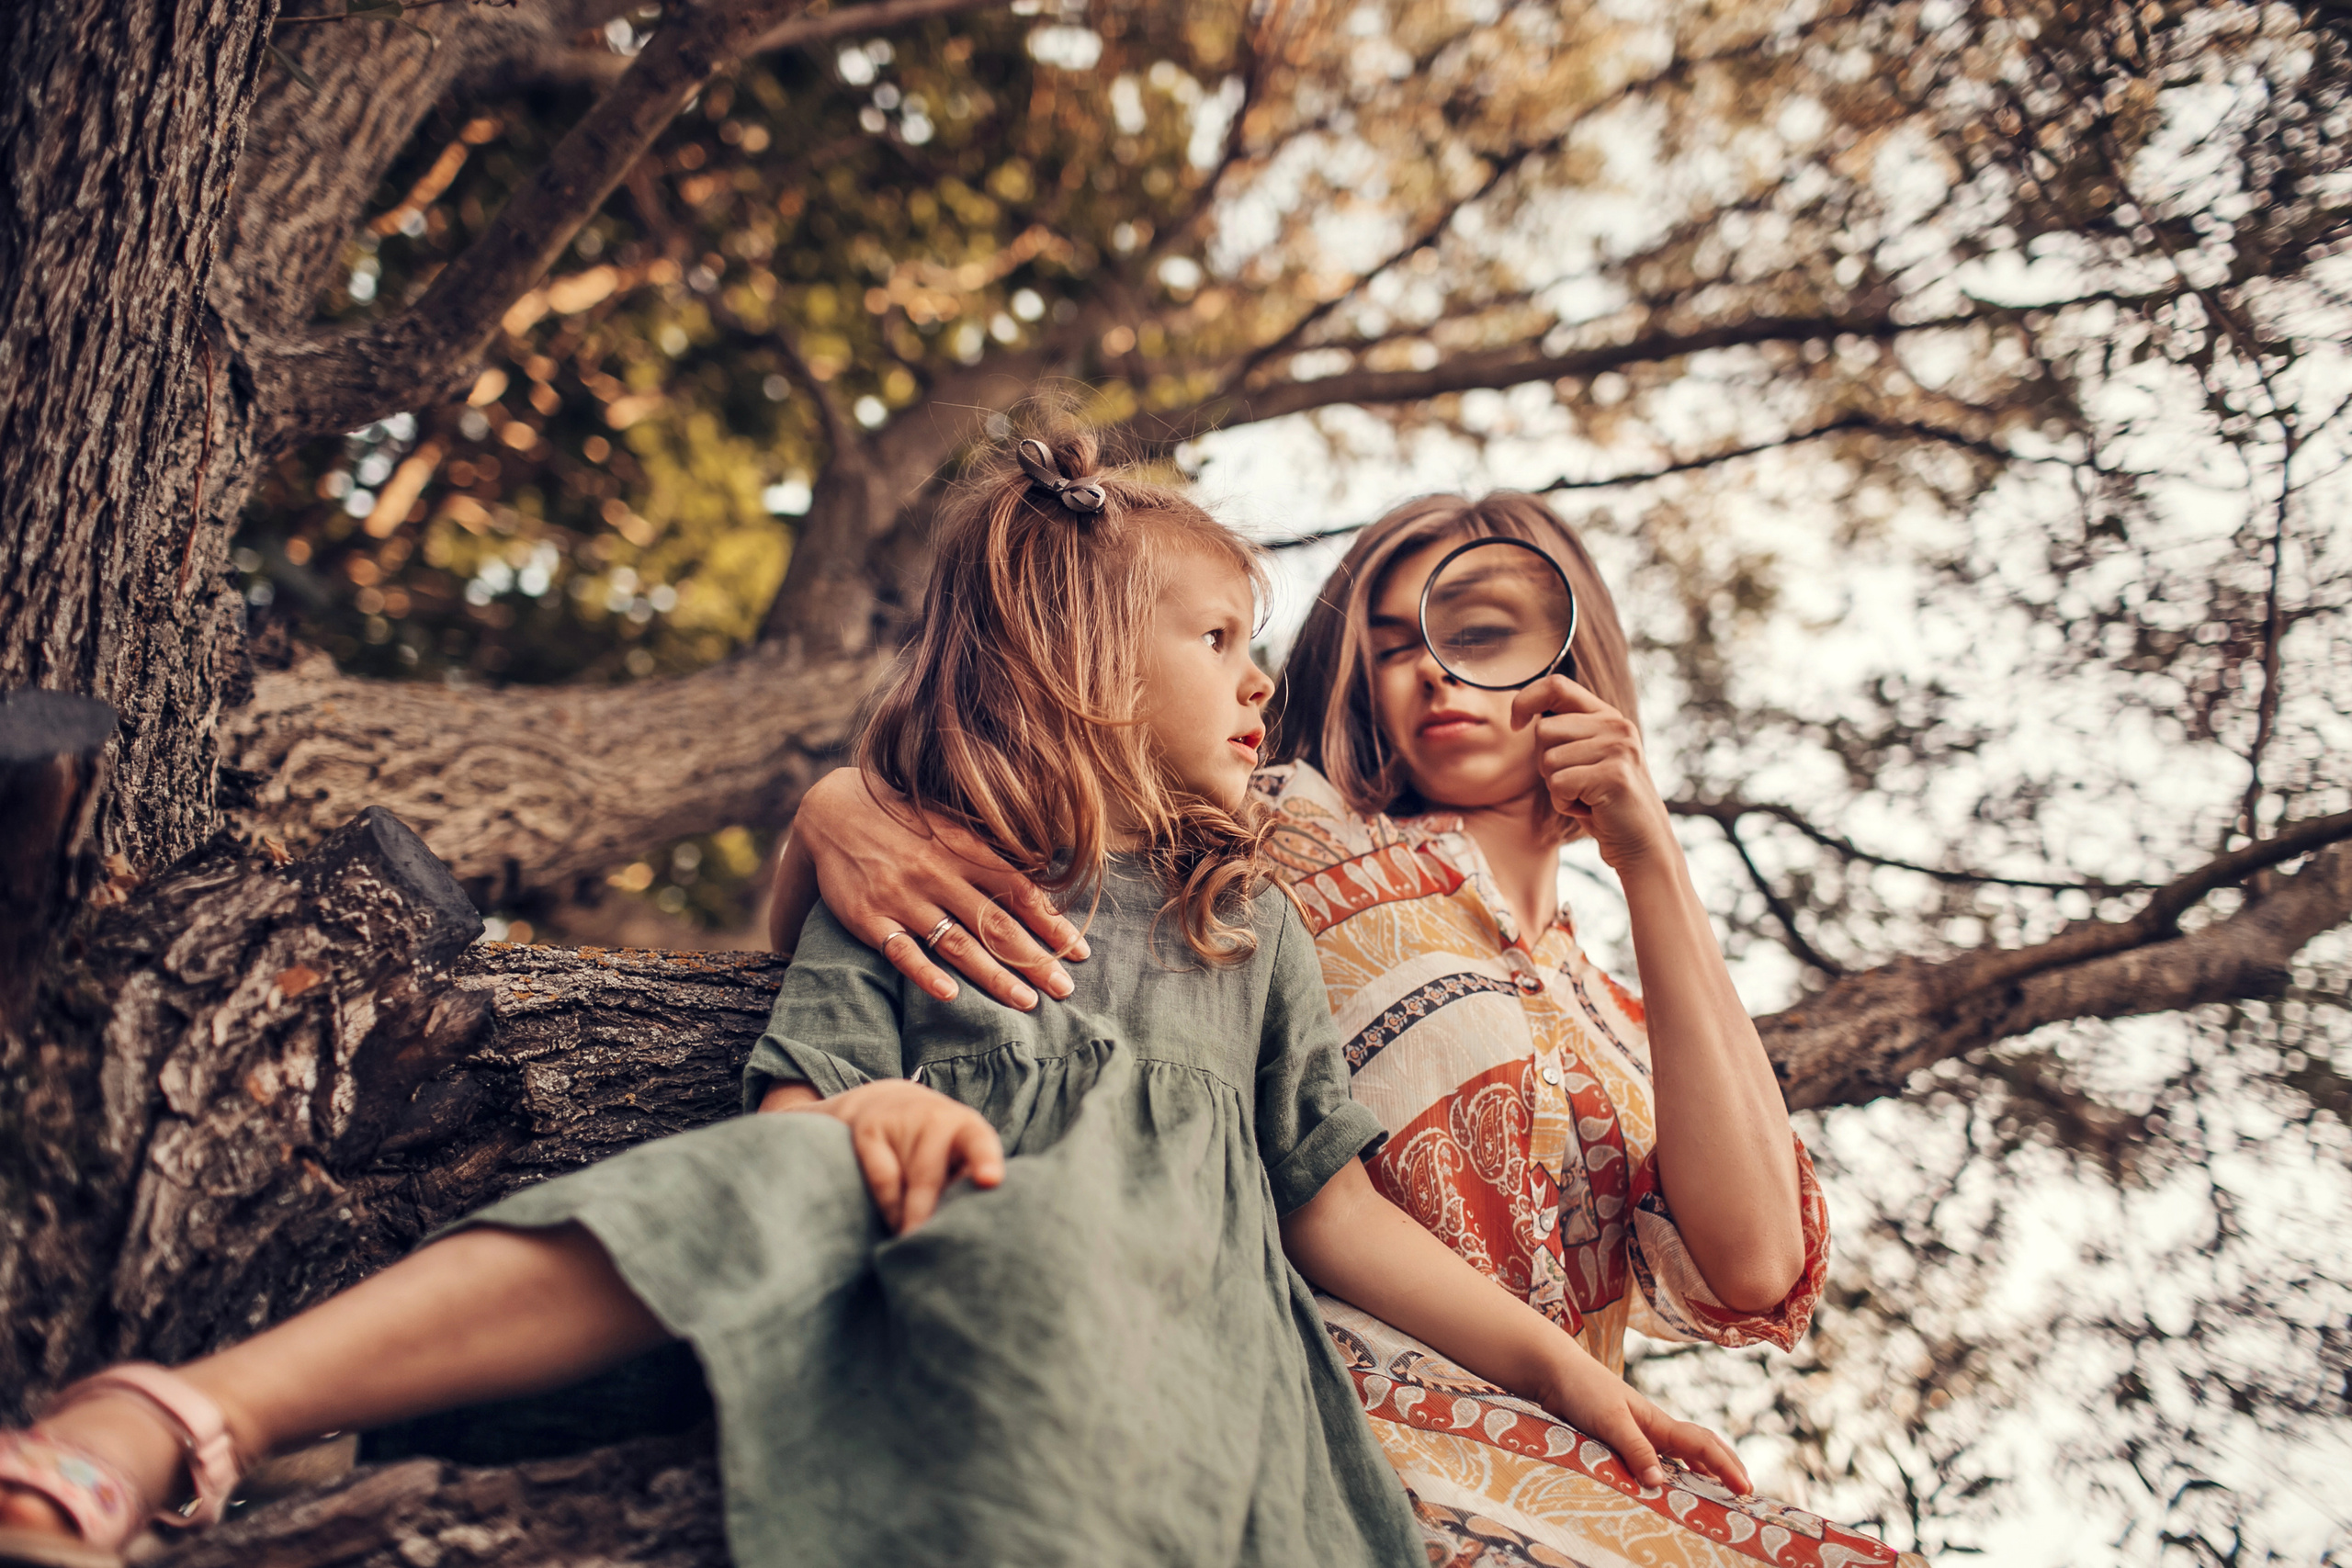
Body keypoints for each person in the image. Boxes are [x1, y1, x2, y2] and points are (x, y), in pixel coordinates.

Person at [0, 429, 1754, 1568]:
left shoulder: (1249, 924)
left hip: (1197, 1346)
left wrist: (1572, 1380)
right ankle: (184, 1410)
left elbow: (1337, 1212)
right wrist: (853, 1077)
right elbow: (792, 1101)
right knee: (754, 1195)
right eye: (1227, 641)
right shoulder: (947, 870)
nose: (1265, 686)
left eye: (1256, 645)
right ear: (1079, 659)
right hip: (952, 1220)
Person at [777, 491, 1928, 1566]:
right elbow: (1045, 785)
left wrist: (1653, 864)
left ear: (1573, 665)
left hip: (1554, 1453)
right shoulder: (1275, 834)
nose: (1430, 669)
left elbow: (1755, 1264)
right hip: (1317, 1401)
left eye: (1477, 634)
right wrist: (843, 807)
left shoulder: (1625, 1025)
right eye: (1390, 645)